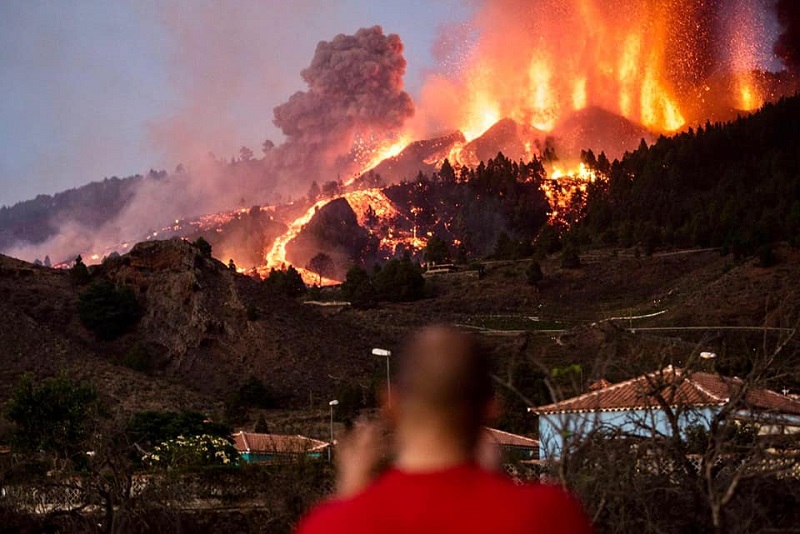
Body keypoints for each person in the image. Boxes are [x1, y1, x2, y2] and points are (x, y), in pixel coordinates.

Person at [297, 325, 593, 533]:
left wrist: (348, 499)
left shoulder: (331, 525)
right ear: (492, 408)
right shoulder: (550, 515)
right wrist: (493, 480)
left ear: (390, 404)